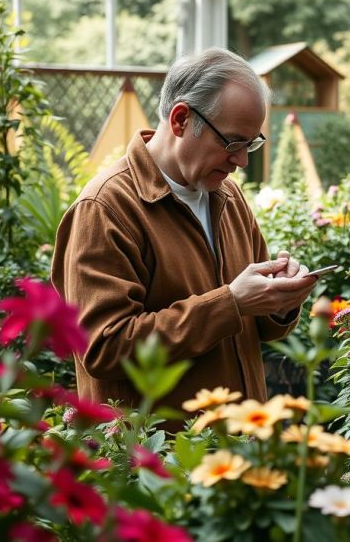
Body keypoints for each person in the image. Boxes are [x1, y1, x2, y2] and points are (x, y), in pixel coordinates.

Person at [51, 48, 317, 427]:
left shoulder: (228, 194)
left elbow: (255, 322)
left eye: (250, 144)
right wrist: (230, 303)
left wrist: (279, 300)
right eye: (232, 143)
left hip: (237, 453)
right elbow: (103, 347)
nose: (241, 161)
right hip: (158, 466)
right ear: (180, 119)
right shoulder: (106, 207)